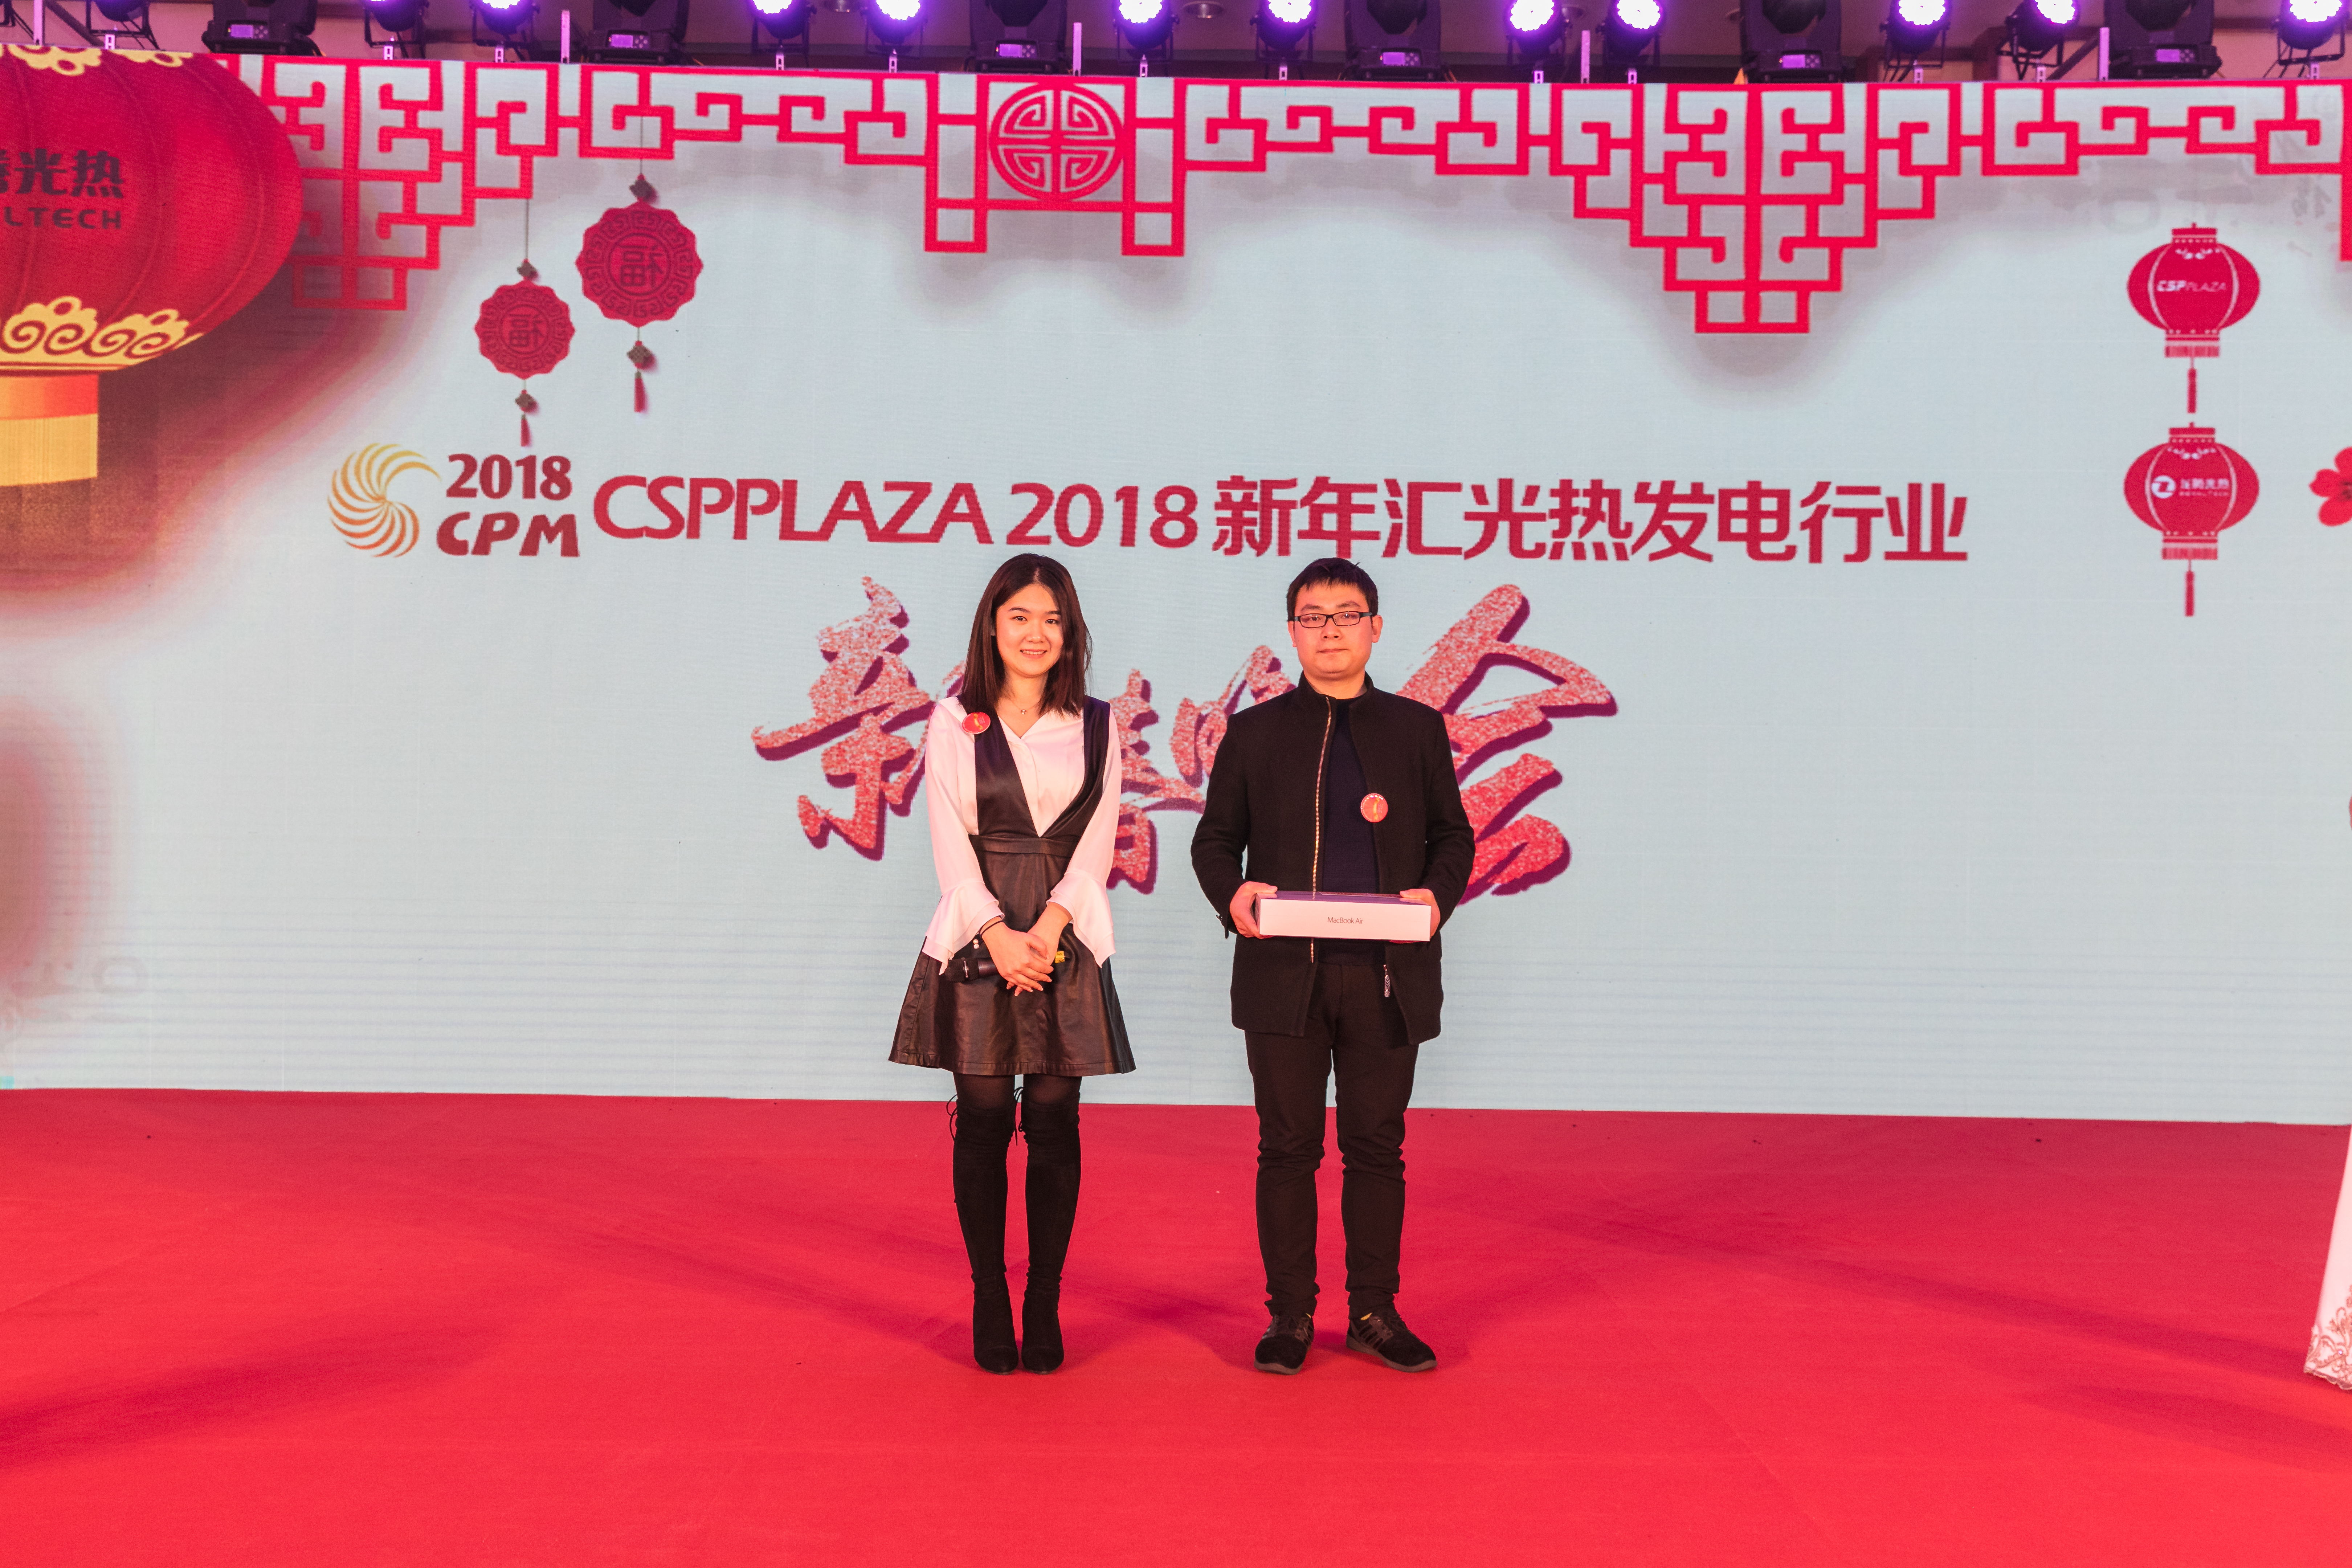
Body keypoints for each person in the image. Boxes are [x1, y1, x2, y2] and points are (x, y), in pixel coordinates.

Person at [1190, 558, 1473, 1376]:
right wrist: (1234, 894)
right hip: (1285, 975)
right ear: (1292, 633)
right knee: (1287, 1149)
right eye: (1313, 618)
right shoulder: (1255, 733)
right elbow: (1215, 841)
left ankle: (1375, 1312)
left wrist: (1436, 898)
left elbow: (1453, 836)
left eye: (1347, 616)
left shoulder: (1415, 730)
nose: (1330, 632)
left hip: (1387, 978)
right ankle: (1289, 1315)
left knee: (1377, 1148)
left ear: (1375, 628)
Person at [890, 553, 1134, 1375]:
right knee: (986, 1115)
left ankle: (1044, 1299)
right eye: (1020, 617)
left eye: (1052, 620)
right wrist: (996, 934)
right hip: (980, 936)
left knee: (1056, 1117)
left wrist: (1053, 927)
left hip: (1064, 933)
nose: (1036, 634)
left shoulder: (1098, 723)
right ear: (992, 627)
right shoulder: (953, 721)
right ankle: (990, 1295)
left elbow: (1096, 842)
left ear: (1071, 634)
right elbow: (949, 841)